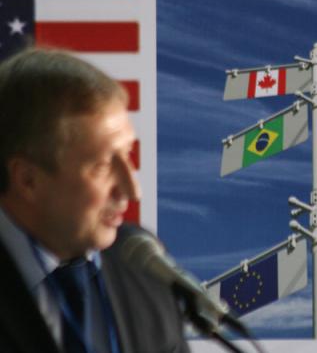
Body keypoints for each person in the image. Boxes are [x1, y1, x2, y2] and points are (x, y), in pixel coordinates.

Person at [0, 48, 190, 353]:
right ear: (27, 180)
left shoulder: (143, 264)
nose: (132, 190)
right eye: (102, 166)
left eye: (128, 154)